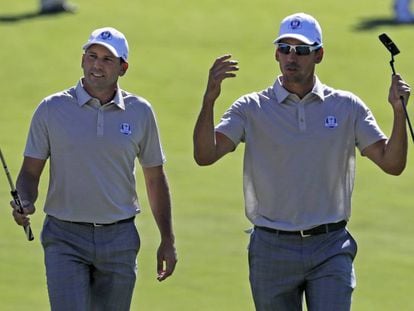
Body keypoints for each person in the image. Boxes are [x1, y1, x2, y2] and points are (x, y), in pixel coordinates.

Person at [193, 12, 410, 311]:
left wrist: (399, 113)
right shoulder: (251, 108)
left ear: (319, 55)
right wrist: (209, 100)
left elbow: (392, 163)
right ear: (276, 53)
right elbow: (205, 155)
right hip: (271, 247)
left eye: (302, 50)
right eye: (285, 48)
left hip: (330, 245)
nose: (291, 57)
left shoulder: (346, 107)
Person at [11, 27, 177, 310]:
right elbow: (30, 172)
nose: (97, 65)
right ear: (82, 60)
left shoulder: (140, 112)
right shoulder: (51, 108)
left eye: (107, 59)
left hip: (119, 238)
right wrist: (25, 201)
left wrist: (167, 239)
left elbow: (155, 179)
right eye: (92, 56)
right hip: (65, 237)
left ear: (123, 68)